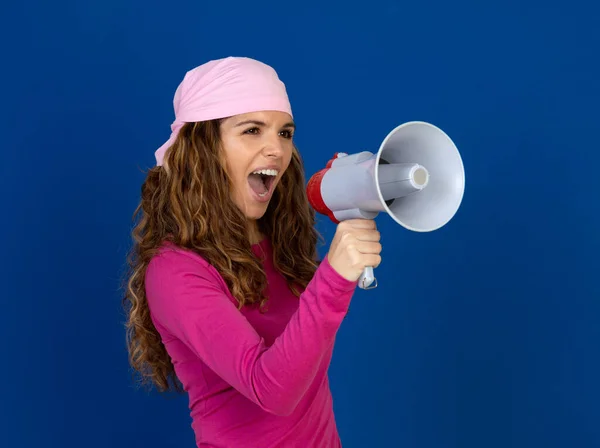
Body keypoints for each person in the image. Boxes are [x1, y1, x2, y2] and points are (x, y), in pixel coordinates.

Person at [123, 56, 382, 447]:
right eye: (252, 130)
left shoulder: (279, 242)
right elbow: (273, 391)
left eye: (284, 132)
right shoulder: (174, 271)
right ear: (204, 147)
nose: (276, 149)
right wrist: (334, 279)